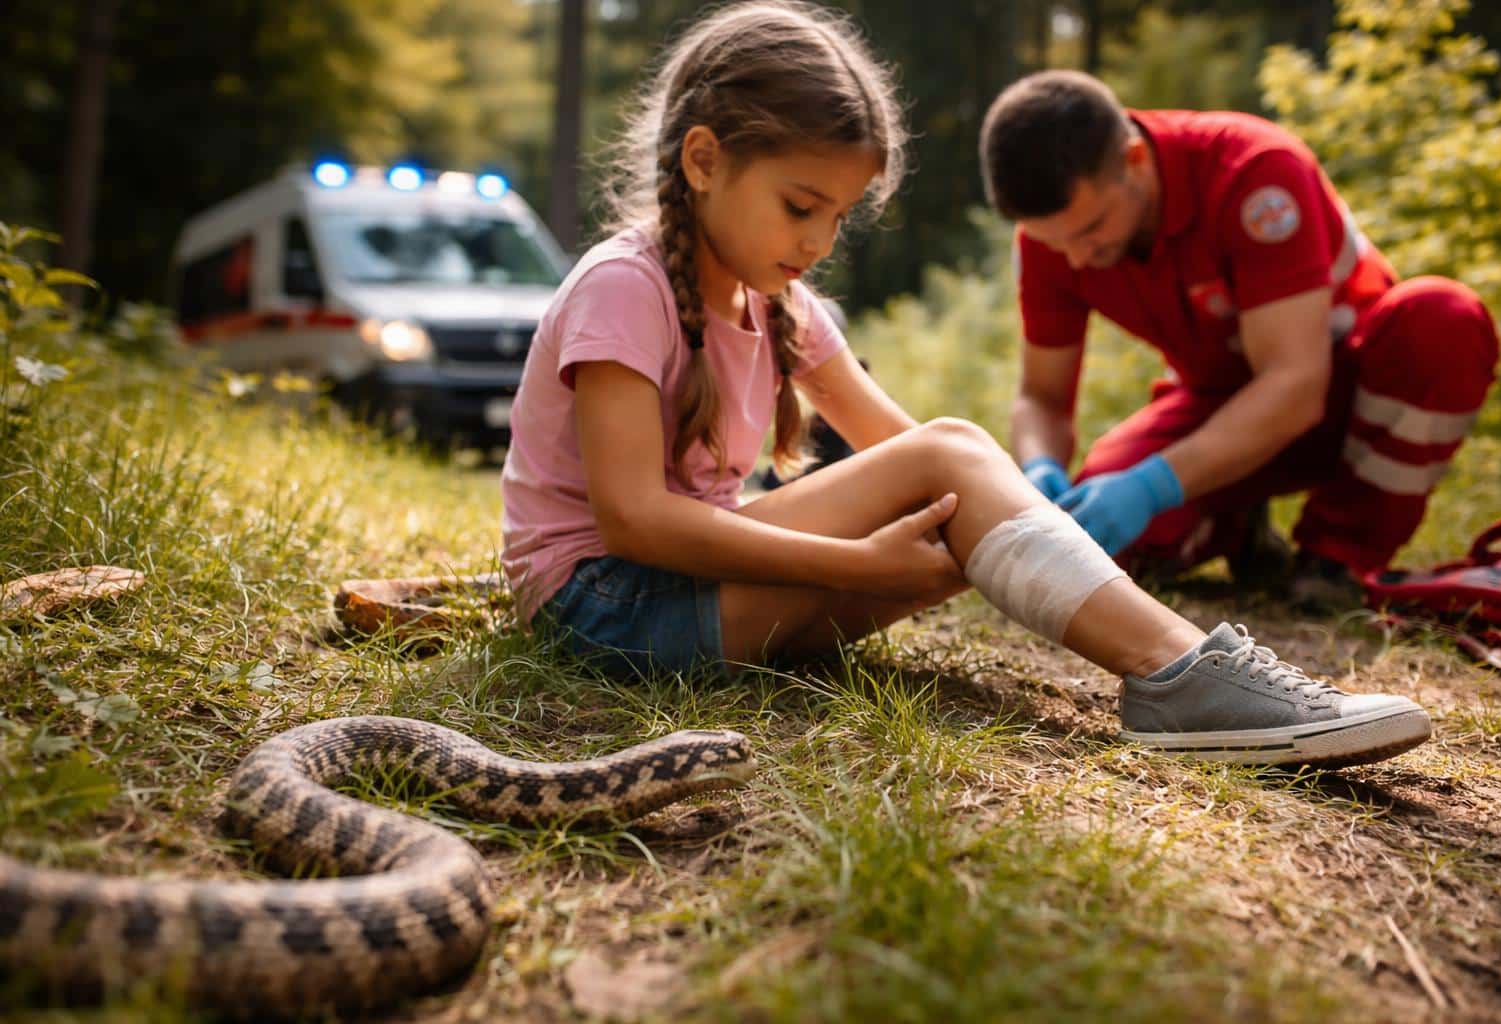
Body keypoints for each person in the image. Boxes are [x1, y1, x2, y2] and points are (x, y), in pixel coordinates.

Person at [499, 1, 1431, 767]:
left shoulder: (779, 302)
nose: (819, 241)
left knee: (956, 487)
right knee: (950, 458)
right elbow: (635, 521)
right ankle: (1180, 672)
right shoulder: (624, 287)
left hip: (679, 592)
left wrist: (1016, 514)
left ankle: (1187, 674)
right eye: (800, 206)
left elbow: (914, 458)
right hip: (605, 607)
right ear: (704, 160)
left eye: (840, 216)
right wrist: (859, 565)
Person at [979, 70, 1501, 608]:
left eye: (1092, 230)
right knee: (1095, 539)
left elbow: (1296, 388)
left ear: (1134, 160)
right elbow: (1043, 397)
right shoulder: (1055, 236)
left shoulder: (1255, 172)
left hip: (1350, 394)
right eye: (1055, 243)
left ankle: (1338, 556)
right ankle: (1235, 525)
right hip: (1219, 405)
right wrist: (1038, 470)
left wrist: (1152, 486)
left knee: (1443, 318)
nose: (1075, 259)